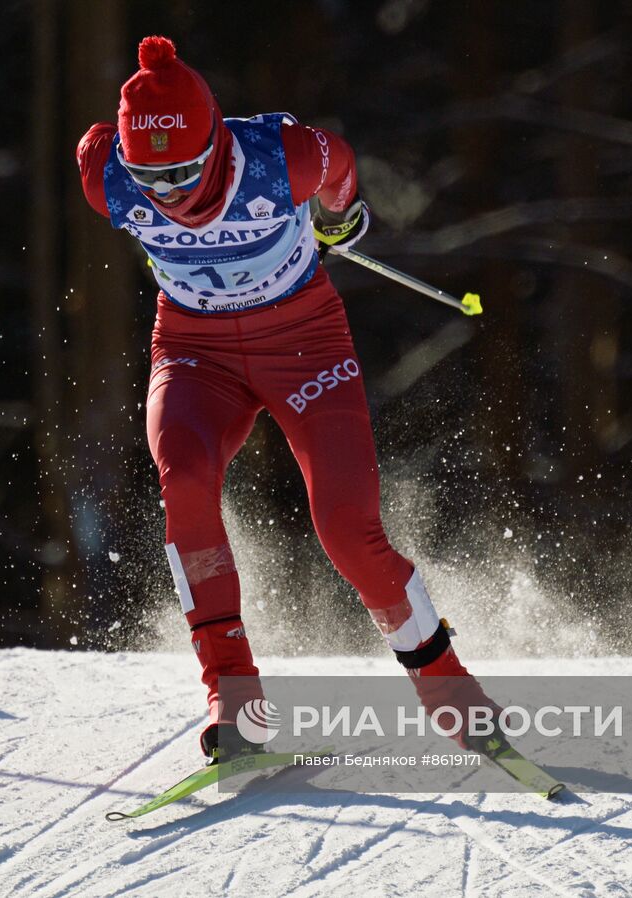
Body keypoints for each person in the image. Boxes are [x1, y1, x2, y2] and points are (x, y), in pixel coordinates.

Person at [76, 36, 499, 764]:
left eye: (183, 171)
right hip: (194, 352)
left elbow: (341, 171)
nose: (170, 194)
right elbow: (110, 160)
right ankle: (233, 694)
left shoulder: (282, 157)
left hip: (304, 342)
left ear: (214, 143)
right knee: (185, 484)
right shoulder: (105, 174)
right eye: (152, 178)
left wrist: (336, 221)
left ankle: (445, 682)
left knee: (345, 526)